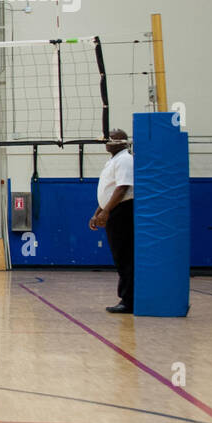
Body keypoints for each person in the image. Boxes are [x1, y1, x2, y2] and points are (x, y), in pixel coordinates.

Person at [90, 129, 134, 314]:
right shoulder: (113, 160)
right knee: (119, 255)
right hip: (114, 211)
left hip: (122, 212)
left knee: (125, 256)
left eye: (109, 139)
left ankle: (129, 300)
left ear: (120, 142)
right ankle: (126, 298)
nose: (106, 142)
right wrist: (97, 212)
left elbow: (122, 188)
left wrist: (106, 211)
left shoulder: (125, 159)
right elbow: (108, 190)